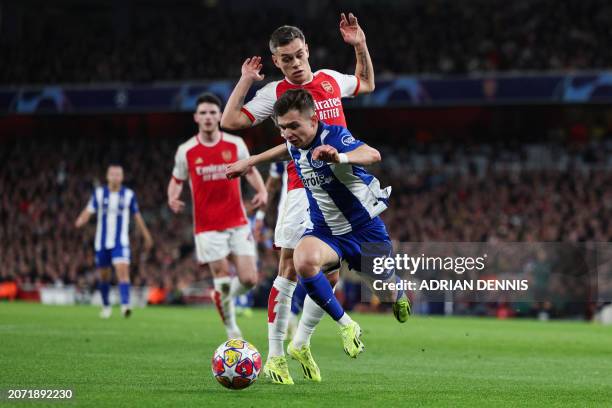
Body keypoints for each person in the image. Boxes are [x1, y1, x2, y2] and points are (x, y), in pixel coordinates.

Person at [221, 14, 408, 385]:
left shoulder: (329, 80)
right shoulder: (273, 95)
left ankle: (301, 342)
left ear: (307, 50)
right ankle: (276, 355)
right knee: (291, 268)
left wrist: (359, 45)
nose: (295, 63)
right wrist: (245, 81)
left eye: (299, 54)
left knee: (331, 272)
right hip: (299, 188)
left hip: (342, 184)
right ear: (276, 61)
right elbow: (233, 122)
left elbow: (367, 82)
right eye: (286, 58)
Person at [167, 93, 267, 340]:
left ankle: (221, 298)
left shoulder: (235, 144)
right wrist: (172, 197)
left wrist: (262, 190)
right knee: (222, 276)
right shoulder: (186, 150)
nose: (208, 117)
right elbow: (176, 180)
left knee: (249, 278)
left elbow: (250, 170)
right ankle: (233, 330)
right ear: (196, 117)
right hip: (207, 226)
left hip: (237, 221)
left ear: (219, 116)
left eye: (213, 112)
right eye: (203, 113)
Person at [75, 164, 154, 318]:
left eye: (118, 175)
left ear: (122, 177)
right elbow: (88, 210)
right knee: (104, 275)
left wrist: (147, 235)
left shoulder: (129, 195)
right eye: (112, 174)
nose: (115, 177)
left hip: (120, 242)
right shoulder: (99, 193)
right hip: (102, 242)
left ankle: (125, 305)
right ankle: (106, 306)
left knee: (122, 271)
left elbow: (137, 216)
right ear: (107, 176)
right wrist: (80, 220)